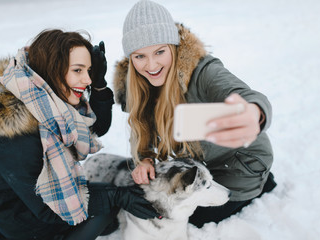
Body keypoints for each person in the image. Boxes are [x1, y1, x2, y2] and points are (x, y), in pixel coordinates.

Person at [0, 29, 160, 240]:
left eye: (89, 70)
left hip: (41, 199)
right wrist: (115, 197)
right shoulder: (17, 136)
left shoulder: (49, 101)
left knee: (108, 208)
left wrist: (99, 83)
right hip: (21, 215)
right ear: (52, 69)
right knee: (106, 205)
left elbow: (96, 127)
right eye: (78, 70)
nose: (86, 79)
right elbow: (48, 207)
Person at [113, 0, 277, 227]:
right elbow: (141, 132)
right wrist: (145, 159)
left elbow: (246, 95)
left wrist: (253, 112)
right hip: (203, 168)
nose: (151, 65)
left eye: (159, 51)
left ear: (173, 46)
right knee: (160, 206)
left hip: (241, 161)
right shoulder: (139, 86)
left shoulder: (202, 71)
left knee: (185, 219)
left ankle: (259, 183)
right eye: (140, 56)